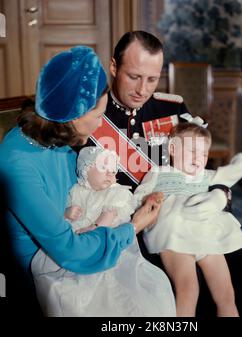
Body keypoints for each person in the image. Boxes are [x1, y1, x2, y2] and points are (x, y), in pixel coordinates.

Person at [86, 30, 242, 316]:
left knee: (234, 254)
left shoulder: (171, 108)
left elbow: (199, 166)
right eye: (134, 76)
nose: (142, 89)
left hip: (182, 210)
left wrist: (220, 195)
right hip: (128, 224)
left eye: (152, 79)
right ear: (114, 67)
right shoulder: (91, 115)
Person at [0, 46, 164, 315]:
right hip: (50, 271)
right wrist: (133, 227)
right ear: (74, 117)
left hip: (82, 238)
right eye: (98, 116)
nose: (100, 125)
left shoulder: (55, 138)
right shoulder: (17, 166)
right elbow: (70, 250)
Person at [134, 118, 242, 316]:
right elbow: (140, 195)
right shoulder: (160, 172)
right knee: (189, 289)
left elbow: (231, 173)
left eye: (204, 153)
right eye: (193, 151)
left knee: (227, 293)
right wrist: (147, 198)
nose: (199, 158)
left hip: (206, 235)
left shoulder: (206, 175)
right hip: (174, 234)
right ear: (174, 150)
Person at [31, 146, 175, 317]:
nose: (110, 174)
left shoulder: (115, 192)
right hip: (75, 240)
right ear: (86, 169)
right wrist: (67, 213)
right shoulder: (75, 191)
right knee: (68, 286)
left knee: (113, 282)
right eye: (103, 168)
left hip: (108, 240)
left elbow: (108, 216)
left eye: (113, 171)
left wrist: (95, 228)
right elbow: (60, 216)